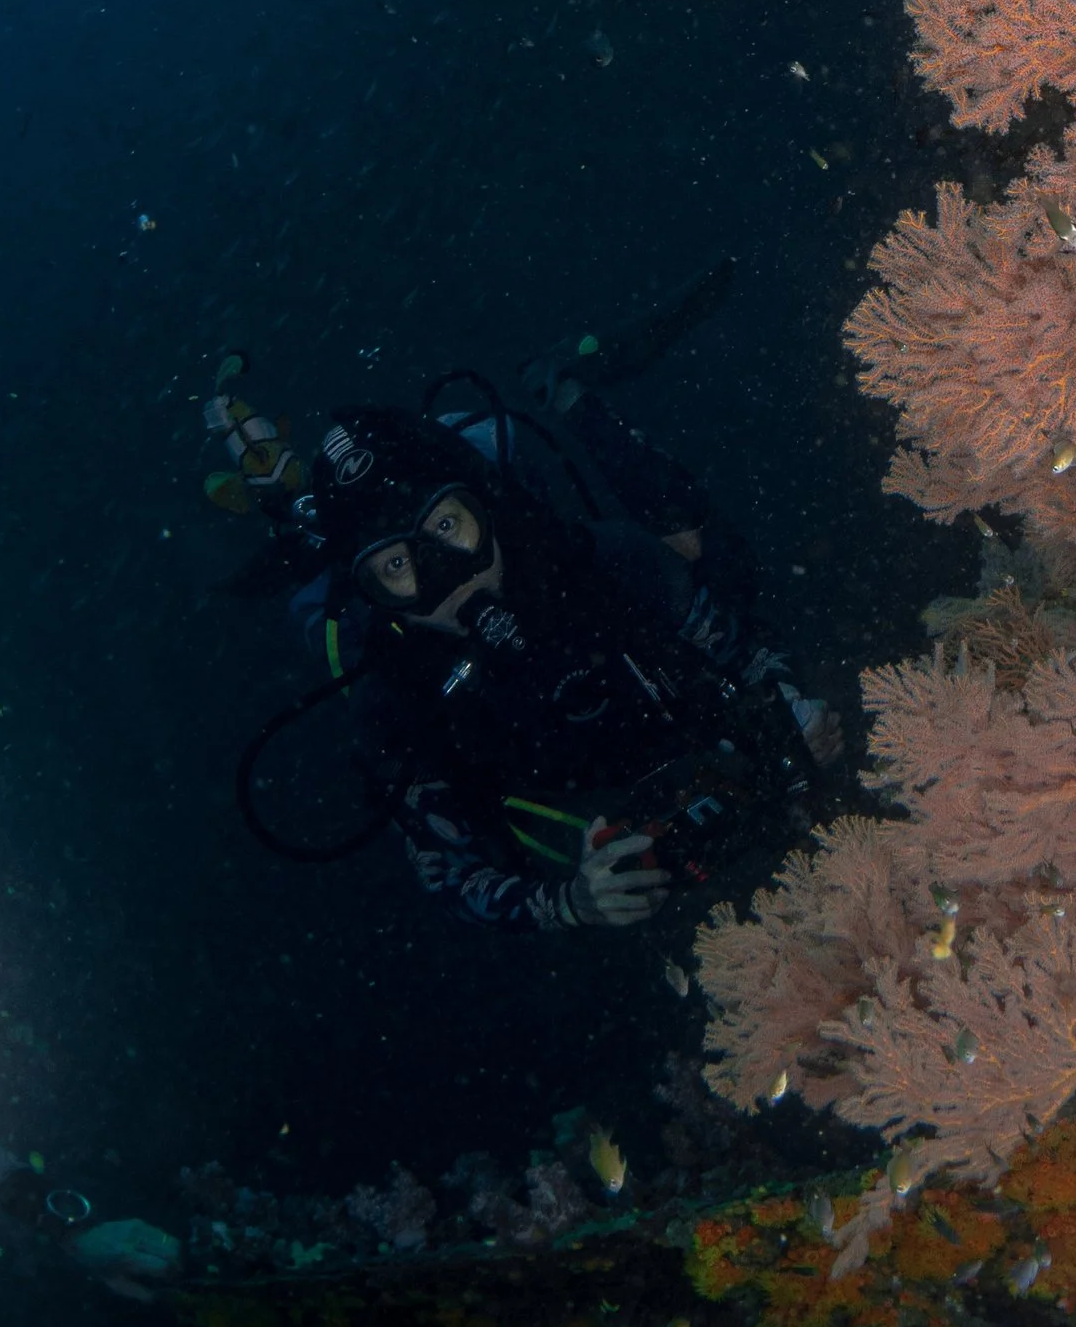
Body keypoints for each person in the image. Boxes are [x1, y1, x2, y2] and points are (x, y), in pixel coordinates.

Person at [209, 336, 839, 934]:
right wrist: (565, 905)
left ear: (487, 511)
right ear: (377, 595)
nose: (449, 580)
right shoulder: (395, 706)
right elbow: (449, 871)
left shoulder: (607, 562)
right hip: (574, 790)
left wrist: (791, 712)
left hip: (662, 684)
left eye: (449, 529)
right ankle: (292, 503)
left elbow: (748, 649)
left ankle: (565, 387)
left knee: (699, 548)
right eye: (398, 567)